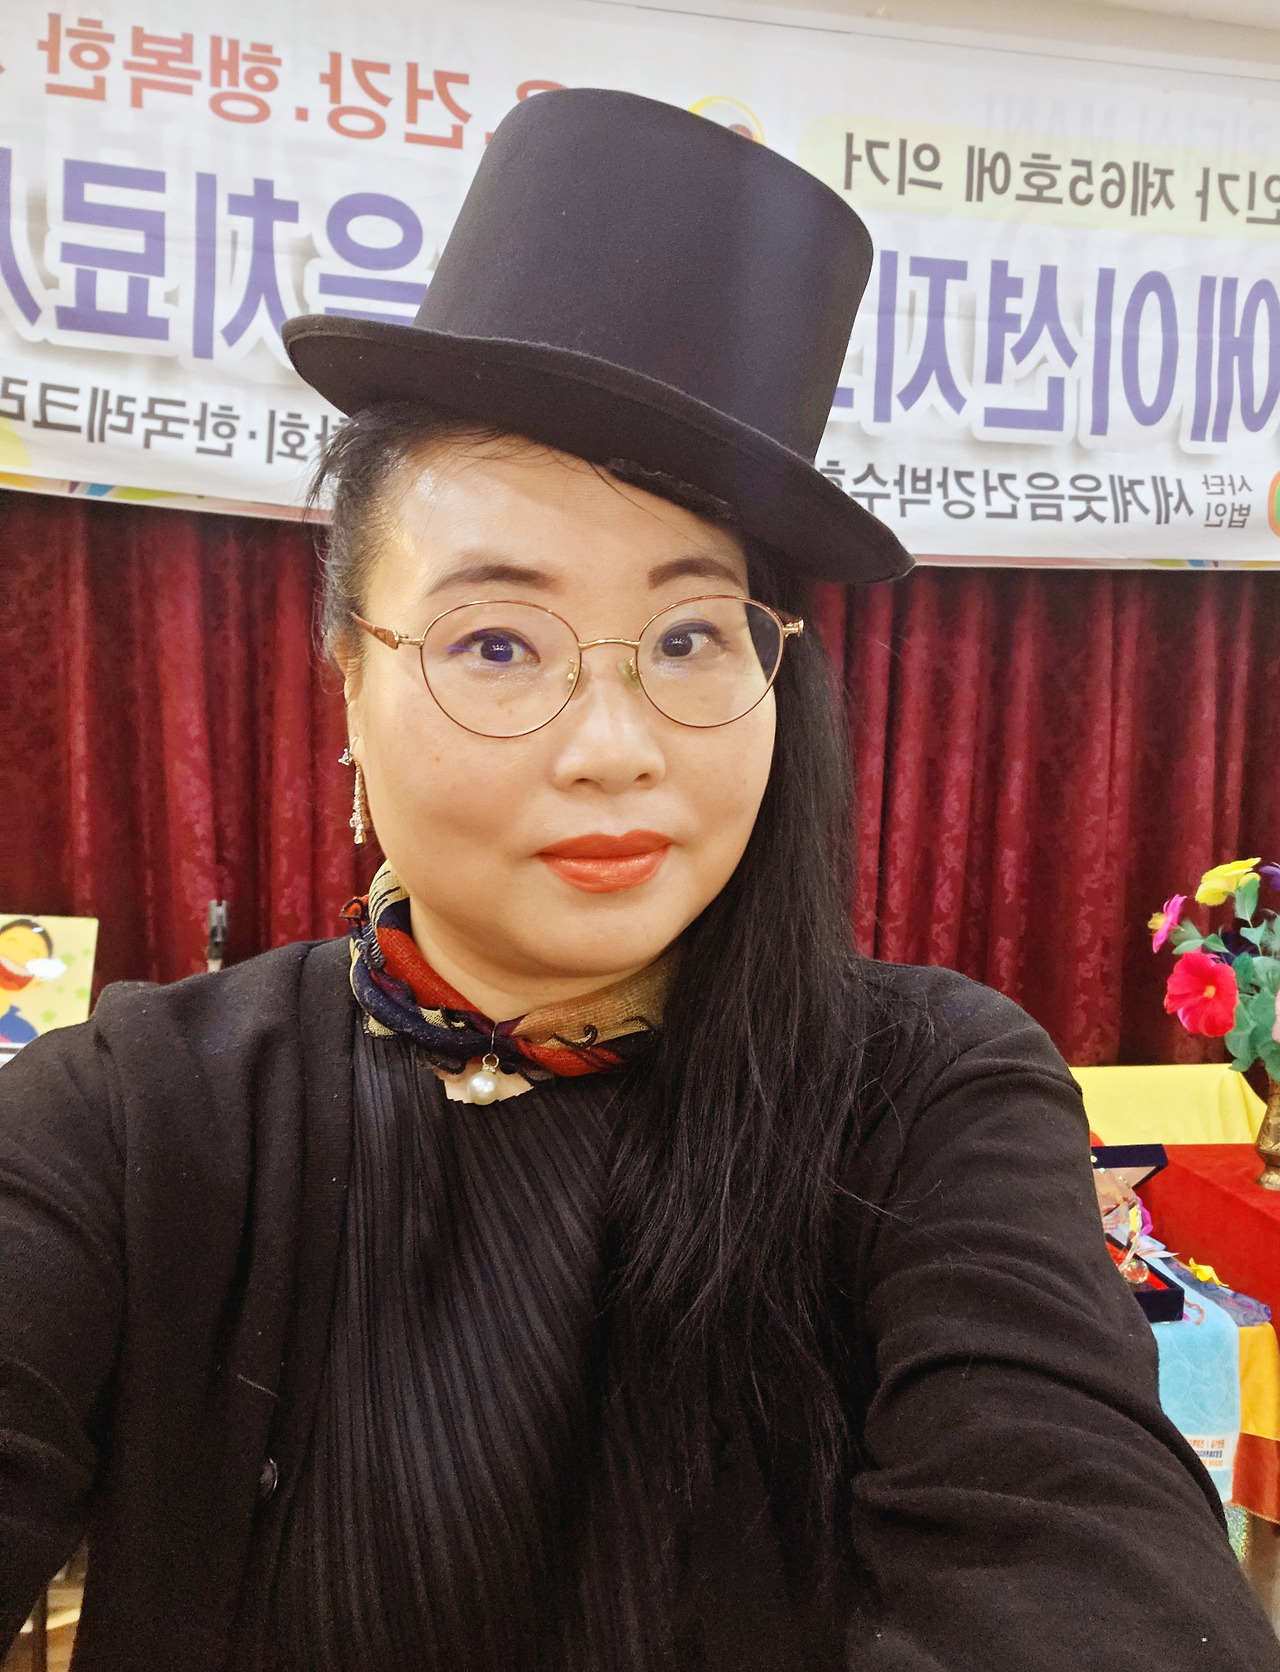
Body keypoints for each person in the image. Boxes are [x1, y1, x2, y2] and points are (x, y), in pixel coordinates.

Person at [1, 88, 1275, 1672]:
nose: (614, 748)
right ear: (348, 683)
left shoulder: (928, 1098)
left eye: (688, 637)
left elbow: (1083, 1557)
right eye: (495, 642)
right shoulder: (137, 1118)